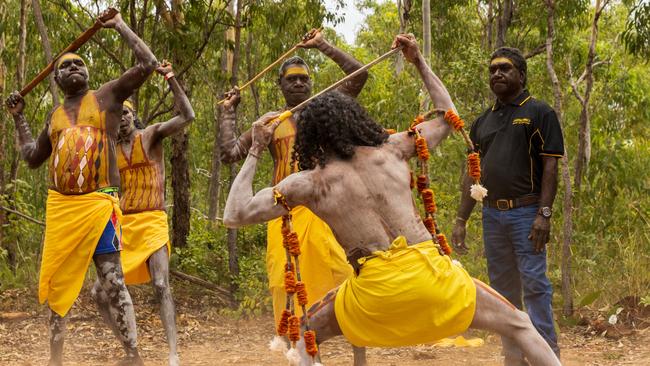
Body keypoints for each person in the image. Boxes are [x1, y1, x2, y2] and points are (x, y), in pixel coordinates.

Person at [223, 34, 561, 366]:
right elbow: (448, 116)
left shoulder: (308, 183)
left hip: (373, 296)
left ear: (309, 136)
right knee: (519, 323)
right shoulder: (394, 148)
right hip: (436, 282)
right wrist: (419, 62)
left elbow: (235, 214)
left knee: (302, 334)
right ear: (355, 119)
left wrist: (255, 149)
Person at [4, 10, 157, 366]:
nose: (74, 67)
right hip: (63, 212)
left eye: (79, 64)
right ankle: (55, 360)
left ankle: (132, 354)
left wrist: (118, 25)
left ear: (87, 74)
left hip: (100, 207)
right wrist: (19, 118)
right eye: (66, 66)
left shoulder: (107, 98)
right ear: (56, 78)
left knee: (112, 279)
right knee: (60, 288)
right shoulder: (54, 117)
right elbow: (31, 157)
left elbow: (147, 63)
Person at [218, 29, 368, 364]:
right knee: (286, 283)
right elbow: (229, 152)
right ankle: (306, 357)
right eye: (292, 79)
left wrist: (322, 45)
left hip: (326, 209)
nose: (299, 84)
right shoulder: (271, 122)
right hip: (284, 213)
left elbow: (360, 75)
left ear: (312, 83)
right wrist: (229, 110)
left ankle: (360, 356)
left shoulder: (327, 108)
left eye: (304, 79)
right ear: (281, 86)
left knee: (346, 278)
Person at [451, 47, 564, 363]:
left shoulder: (540, 112)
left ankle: (546, 355)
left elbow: (551, 167)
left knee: (535, 286)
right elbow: (473, 174)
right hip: (492, 215)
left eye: (505, 69)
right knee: (502, 291)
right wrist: (462, 218)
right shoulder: (482, 122)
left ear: (521, 75)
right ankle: (513, 355)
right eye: (492, 70)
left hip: (527, 213)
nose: (497, 74)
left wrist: (544, 214)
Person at [90, 61, 194, 366]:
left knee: (161, 284)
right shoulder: (109, 149)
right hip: (124, 225)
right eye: (116, 113)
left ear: (134, 115)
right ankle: (130, 350)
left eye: (125, 113)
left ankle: (173, 353)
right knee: (99, 293)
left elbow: (188, 115)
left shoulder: (150, 137)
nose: (121, 118)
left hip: (153, 221)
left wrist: (171, 79)